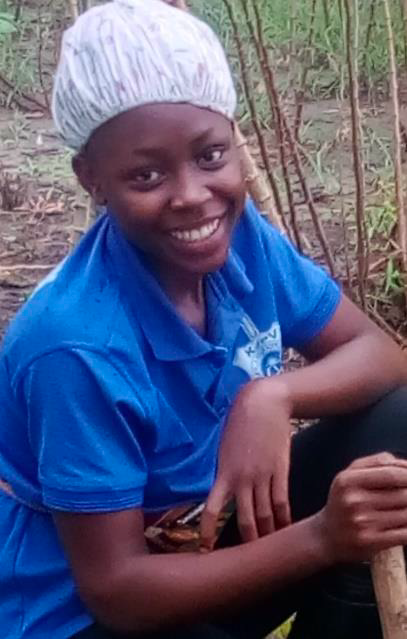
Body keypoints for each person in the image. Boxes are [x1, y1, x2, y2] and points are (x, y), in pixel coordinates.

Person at [0, 1, 406, 638]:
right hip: (95, 614)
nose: (192, 194)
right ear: (91, 179)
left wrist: (271, 394)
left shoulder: (241, 239)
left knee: (396, 423)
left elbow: (380, 355)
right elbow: (117, 592)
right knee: (346, 527)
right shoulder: (73, 347)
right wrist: (322, 537)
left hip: (207, 534)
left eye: (211, 156)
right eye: (146, 174)